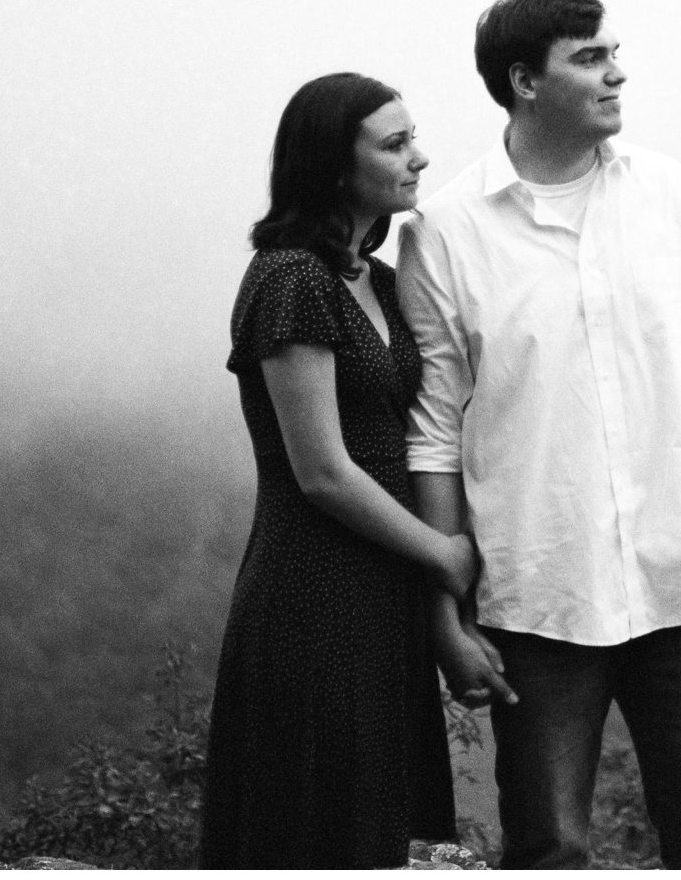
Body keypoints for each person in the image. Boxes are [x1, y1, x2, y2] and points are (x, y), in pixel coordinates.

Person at [398, 0, 681, 869]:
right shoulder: (445, 230)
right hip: (539, 601)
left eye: (613, 52)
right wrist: (445, 612)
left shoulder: (668, 192)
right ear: (525, 81)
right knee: (549, 848)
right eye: (591, 57)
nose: (617, 72)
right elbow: (433, 433)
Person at [200, 72, 478, 868]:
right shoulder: (292, 279)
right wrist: (444, 554)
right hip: (311, 595)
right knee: (315, 826)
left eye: (413, 137)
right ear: (333, 167)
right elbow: (321, 469)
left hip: (384, 594)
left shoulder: (381, 281)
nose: (419, 158)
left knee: (373, 830)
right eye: (395, 144)